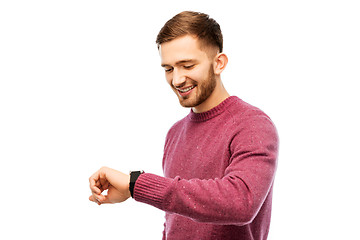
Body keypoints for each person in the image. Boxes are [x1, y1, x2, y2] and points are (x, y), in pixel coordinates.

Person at [89, 11, 279, 240]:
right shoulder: (174, 133)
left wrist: (136, 184)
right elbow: (175, 220)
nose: (177, 80)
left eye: (187, 66)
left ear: (219, 63)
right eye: (168, 69)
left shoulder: (252, 125)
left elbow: (241, 202)